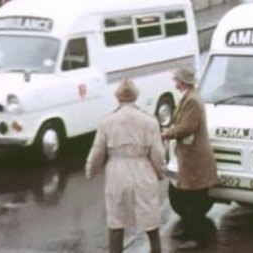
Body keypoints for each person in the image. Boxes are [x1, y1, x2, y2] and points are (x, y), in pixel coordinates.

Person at [85, 78, 165, 253]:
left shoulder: (107, 121)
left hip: (117, 171)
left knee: (116, 218)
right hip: (143, 168)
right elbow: (157, 153)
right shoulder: (149, 121)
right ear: (136, 97)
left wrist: (91, 170)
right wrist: (160, 172)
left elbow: (97, 150)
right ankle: (156, 250)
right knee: (150, 216)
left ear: (118, 98)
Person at [162, 65, 218, 250]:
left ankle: (198, 238)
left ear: (182, 81)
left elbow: (187, 127)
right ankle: (188, 230)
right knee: (186, 196)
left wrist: (167, 133)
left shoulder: (192, 100)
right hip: (188, 157)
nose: (174, 82)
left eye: (176, 78)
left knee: (195, 199)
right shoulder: (188, 97)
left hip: (195, 158)